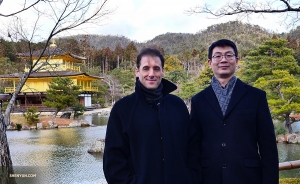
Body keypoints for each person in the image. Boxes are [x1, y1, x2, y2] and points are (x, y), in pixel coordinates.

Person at [103, 47, 200, 184]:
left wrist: (190, 178)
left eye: (156, 68)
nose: (151, 73)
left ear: (163, 71)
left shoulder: (178, 106)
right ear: (137, 72)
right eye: (146, 68)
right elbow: (113, 161)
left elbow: (192, 149)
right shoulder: (123, 109)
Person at [190, 39, 279, 184]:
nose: (223, 60)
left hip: (248, 178)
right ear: (209, 63)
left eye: (229, 55)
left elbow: (268, 147)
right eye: (217, 56)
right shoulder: (198, 100)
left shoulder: (256, 96)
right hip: (209, 178)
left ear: (236, 60)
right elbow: (194, 148)